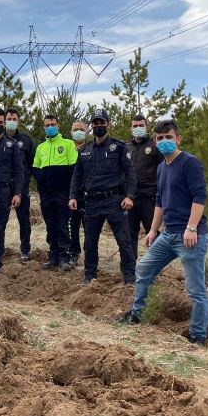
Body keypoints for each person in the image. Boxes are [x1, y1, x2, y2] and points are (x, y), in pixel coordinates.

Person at [118, 119, 208, 346]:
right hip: (168, 235)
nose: (164, 141)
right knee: (143, 269)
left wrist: (191, 228)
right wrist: (152, 230)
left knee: (195, 288)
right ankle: (137, 314)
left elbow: (200, 197)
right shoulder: (161, 167)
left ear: (178, 139)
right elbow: (160, 200)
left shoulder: (190, 163)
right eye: (160, 138)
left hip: (191, 236)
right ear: (155, 141)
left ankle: (198, 335)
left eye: (169, 137)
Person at [69, 108, 136, 284]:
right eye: (95, 123)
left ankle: (129, 276)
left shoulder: (119, 147)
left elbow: (130, 173)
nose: (99, 125)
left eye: (102, 122)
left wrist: (130, 196)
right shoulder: (84, 150)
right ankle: (89, 276)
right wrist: (73, 196)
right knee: (90, 242)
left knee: (124, 240)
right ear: (92, 125)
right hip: (92, 202)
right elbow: (77, 175)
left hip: (115, 201)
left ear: (108, 124)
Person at [32, 115, 77, 272]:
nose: (50, 127)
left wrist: (70, 190)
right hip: (46, 194)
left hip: (63, 193)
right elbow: (36, 168)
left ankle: (65, 257)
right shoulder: (40, 147)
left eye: (53, 124)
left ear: (58, 126)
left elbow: (74, 168)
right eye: (47, 125)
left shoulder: (68, 144)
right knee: (50, 226)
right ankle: (53, 256)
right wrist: (42, 179)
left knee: (63, 226)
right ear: (44, 127)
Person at [0, 108, 24, 274]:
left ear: (5, 123)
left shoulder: (12, 145)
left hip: (3, 192)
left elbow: (18, 171)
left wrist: (17, 193)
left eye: (1, 122)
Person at [126, 114, 162, 259]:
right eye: (135, 126)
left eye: (141, 125)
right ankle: (130, 266)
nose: (138, 128)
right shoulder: (126, 147)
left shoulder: (154, 146)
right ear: (131, 128)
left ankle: (156, 264)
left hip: (149, 197)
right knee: (129, 234)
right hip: (130, 198)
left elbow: (162, 170)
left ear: (146, 127)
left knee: (153, 231)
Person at [5, 108, 36, 262]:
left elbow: (32, 164)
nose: (11, 121)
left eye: (14, 119)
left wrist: (25, 181)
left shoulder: (26, 140)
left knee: (24, 220)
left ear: (18, 121)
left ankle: (25, 250)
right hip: (2, 187)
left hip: (21, 187)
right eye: (9, 118)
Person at [69, 120, 89, 266]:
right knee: (73, 226)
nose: (79, 132)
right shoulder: (66, 147)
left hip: (89, 195)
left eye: (81, 129)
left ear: (87, 131)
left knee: (90, 227)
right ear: (71, 132)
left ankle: (89, 253)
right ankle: (74, 252)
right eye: (76, 129)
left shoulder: (91, 148)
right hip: (72, 195)